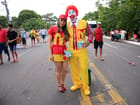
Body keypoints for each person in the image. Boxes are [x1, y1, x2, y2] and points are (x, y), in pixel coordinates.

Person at [65, 5, 93, 95]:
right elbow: (65, 37)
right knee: (73, 69)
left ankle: (85, 87)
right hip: (71, 50)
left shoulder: (84, 23)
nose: (71, 14)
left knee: (84, 68)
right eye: (69, 12)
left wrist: (88, 41)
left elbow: (90, 34)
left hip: (82, 50)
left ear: (76, 13)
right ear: (68, 14)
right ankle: (77, 84)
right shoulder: (68, 25)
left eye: (73, 12)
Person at [48, 14, 69, 92]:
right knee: (58, 70)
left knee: (65, 70)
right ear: (58, 20)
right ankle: (59, 84)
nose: (62, 22)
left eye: (64, 21)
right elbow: (49, 42)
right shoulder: (52, 28)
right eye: (61, 20)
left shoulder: (66, 30)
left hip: (65, 51)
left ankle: (62, 83)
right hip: (56, 51)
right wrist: (50, 54)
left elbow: (67, 41)